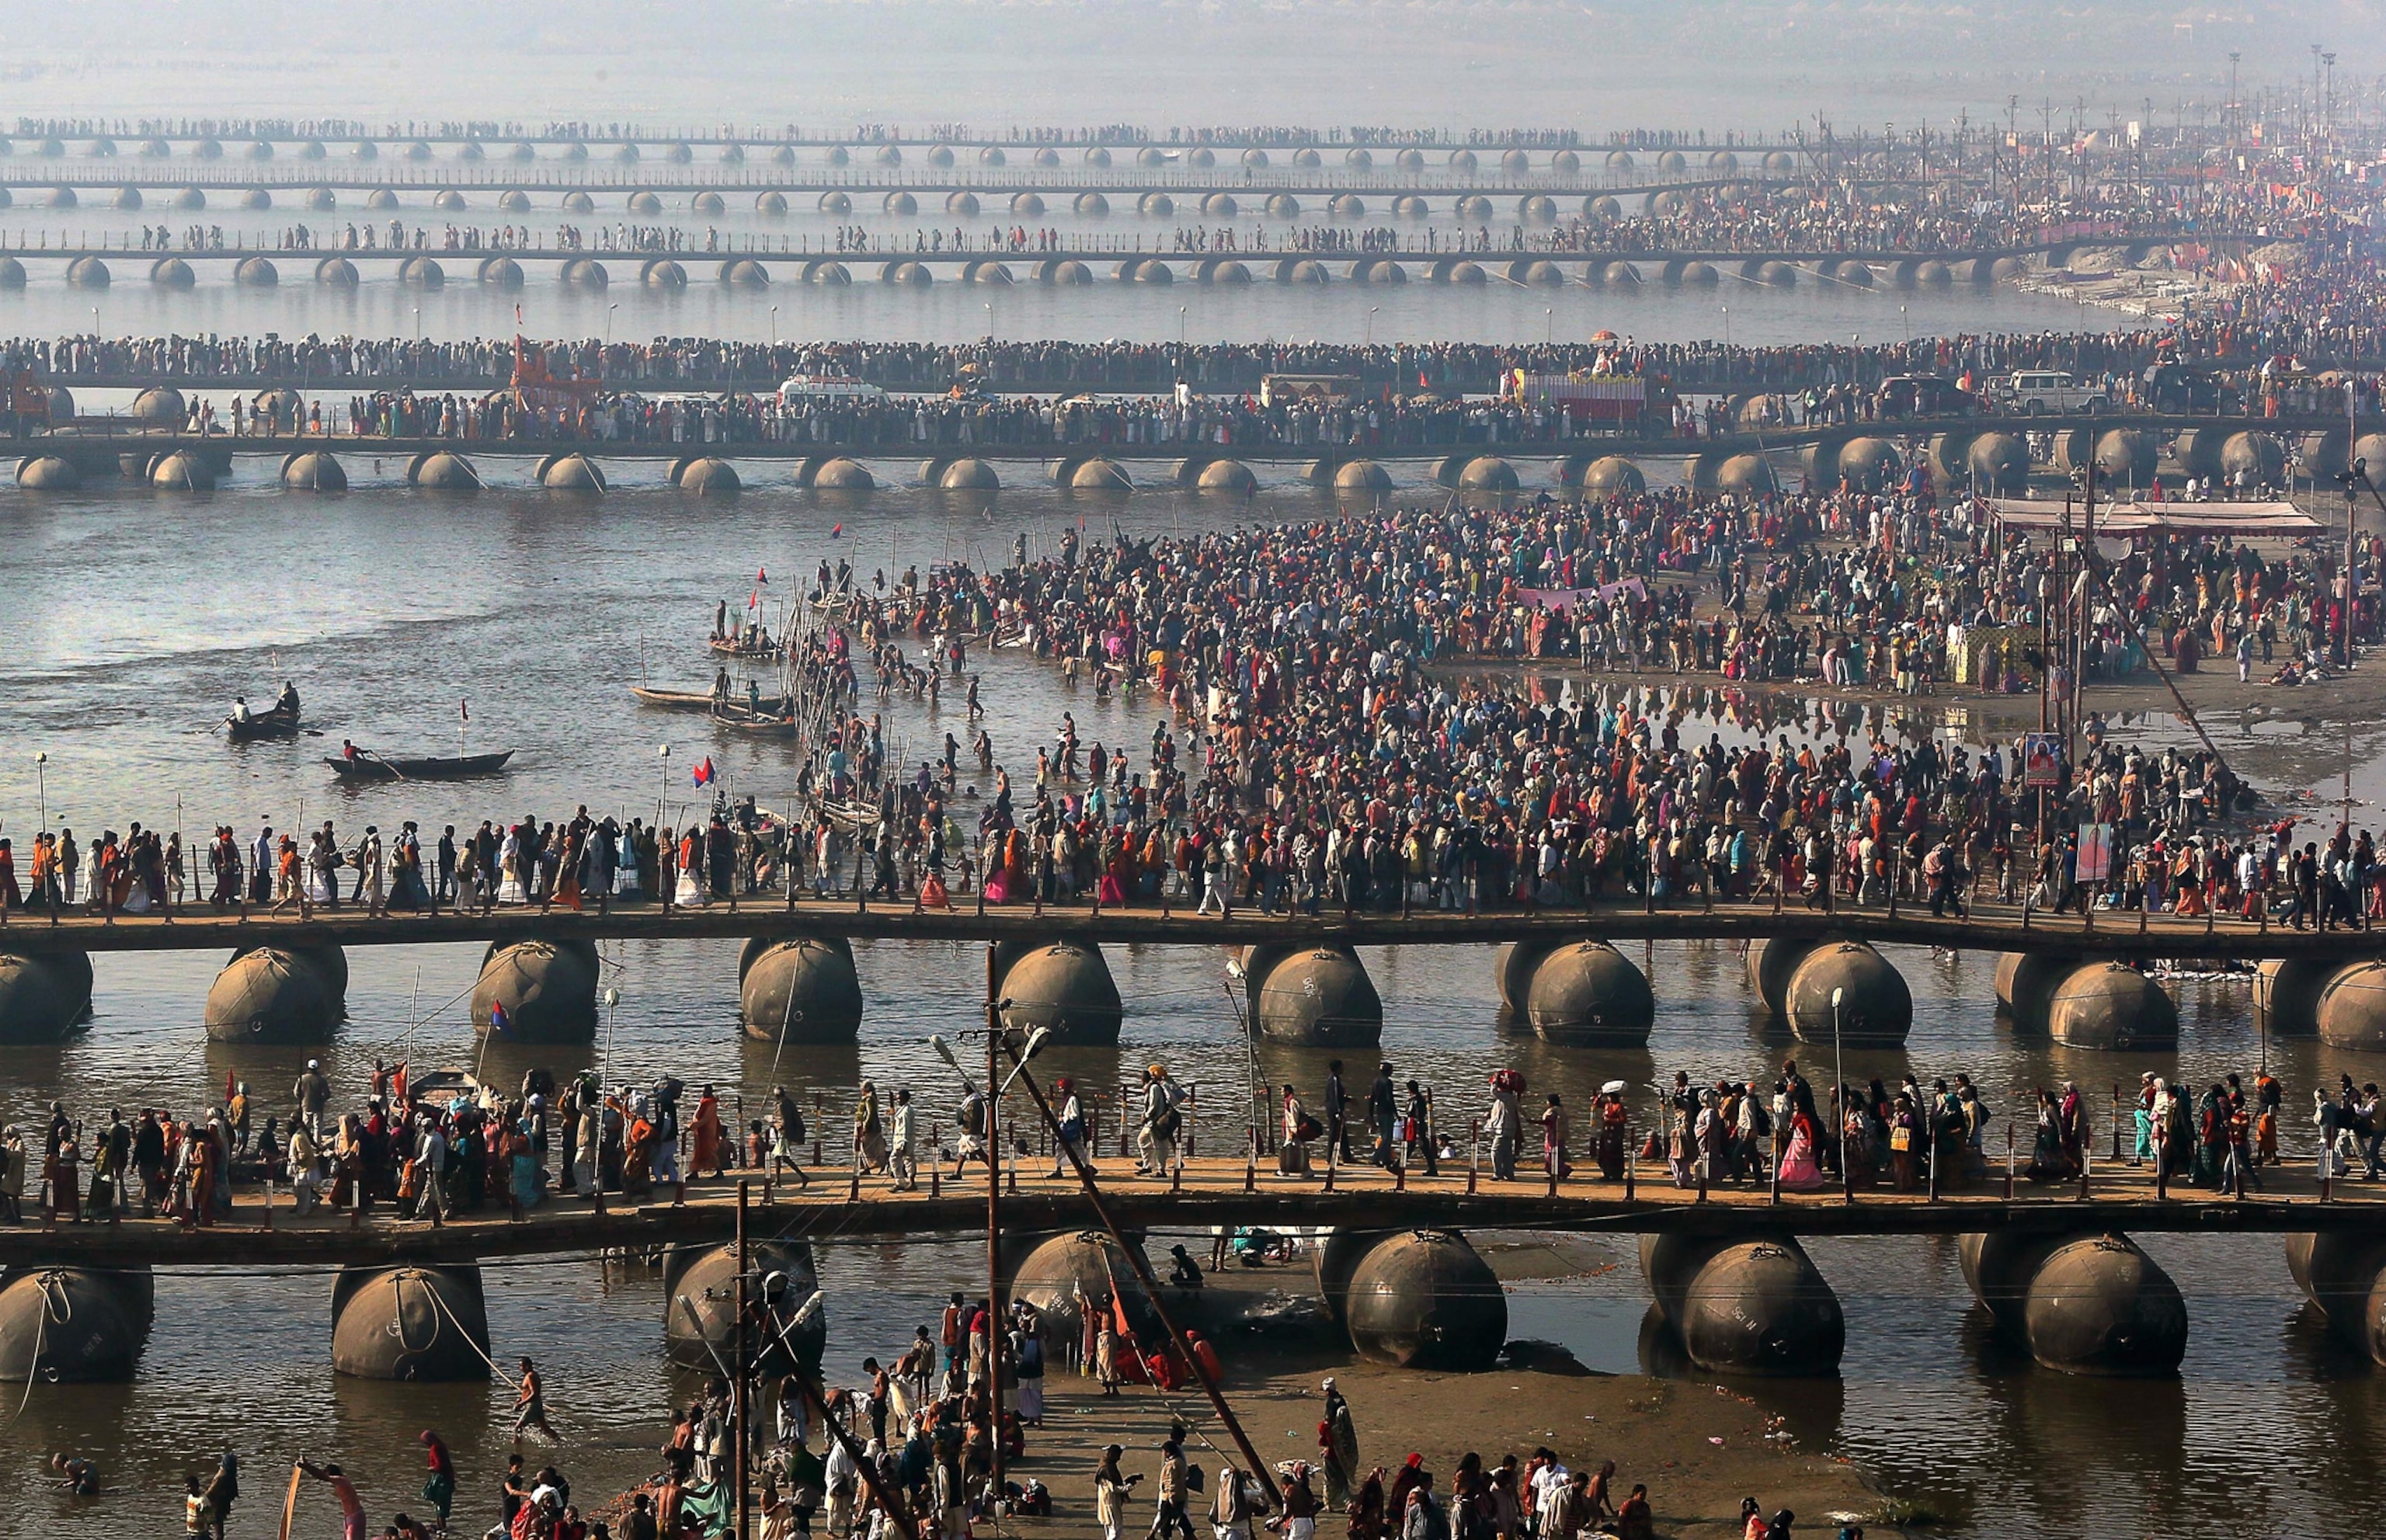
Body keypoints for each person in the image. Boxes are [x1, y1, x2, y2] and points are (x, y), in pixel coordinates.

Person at [299, 1461, 367, 1540]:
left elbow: (321, 1476)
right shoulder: (340, 1482)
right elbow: (320, 1474)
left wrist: (306, 1467)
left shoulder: (341, 1480)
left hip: (356, 1516)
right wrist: (308, 1466)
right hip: (349, 1516)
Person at [1320, 1377, 1360, 1511]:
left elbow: (1327, 1427)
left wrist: (1327, 1446)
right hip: (1343, 1448)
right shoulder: (1342, 1401)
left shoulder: (1331, 1404)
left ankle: (1329, 1503)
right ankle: (1348, 1502)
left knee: (1330, 1478)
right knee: (1342, 1478)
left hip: (1333, 1449)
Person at [1095, 1445, 1141, 1540]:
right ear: (1112, 1455)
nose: (1119, 1458)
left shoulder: (1107, 1464)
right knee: (1116, 1528)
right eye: (1118, 1455)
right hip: (1110, 1501)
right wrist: (1129, 1486)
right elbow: (1114, 1488)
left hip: (1107, 1499)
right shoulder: (1107, 1468)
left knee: (1109, 1527)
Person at [514, 1356, 558, 1442]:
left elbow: (534, 1393)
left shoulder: (530, 1376)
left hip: (533, 1405)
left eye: (521, 1366)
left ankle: (517, 1448)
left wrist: (521, 1404)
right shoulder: (534, 1374)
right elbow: (529, 1392)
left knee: (518, 1427)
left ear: (527, 1366)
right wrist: (521, 1398)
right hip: (537, 1404)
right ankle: (558, 1441)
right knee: (545, 1427)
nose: (520, 1368)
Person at [419, 1430, 455, 1528]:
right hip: (446, 1479)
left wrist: (431, 1468)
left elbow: (440, 1465)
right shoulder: (441, 1446)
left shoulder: (435, 1448)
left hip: (441, 1480)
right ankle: (441, 1527)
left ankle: (442, 1528)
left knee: (440, 1505)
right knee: (440, 1505)